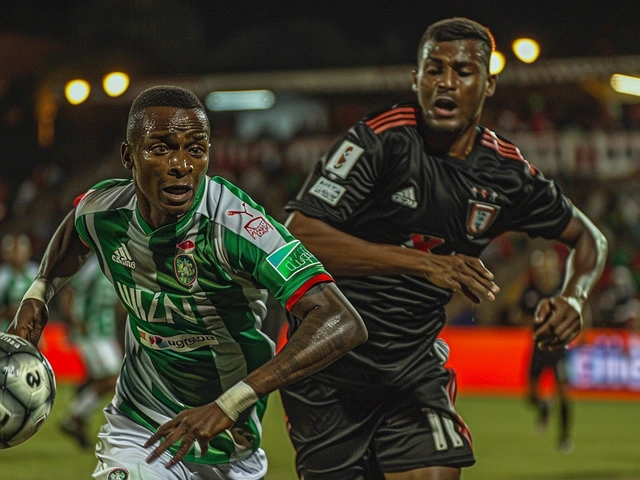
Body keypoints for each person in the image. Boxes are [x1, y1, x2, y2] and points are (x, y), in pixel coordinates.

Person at [280, 17, 608, 480]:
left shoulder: (505, 174)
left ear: (489, 83)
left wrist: (575, 296)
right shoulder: (381, 140)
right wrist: (421, 264)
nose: (446, 83)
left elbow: (589, 238)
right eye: (434, 70)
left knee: (437, 472)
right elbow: (297, 233)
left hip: (411, 369)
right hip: (329, 367)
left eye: (462, 71)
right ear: (416, 79)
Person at [8, 85, 367, 480]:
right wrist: (38, 294)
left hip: (230, 440)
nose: (181, 164)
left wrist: (230, 404)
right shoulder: (103, 210)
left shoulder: (241, 228)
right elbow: (75, 229)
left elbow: (340, 319)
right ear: (128, 156)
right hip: (138, 427)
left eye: (196, 149)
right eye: (161, 148)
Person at [58, 255, 126, 450]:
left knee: (112, 381)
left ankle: (77, 417)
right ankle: (74, 416)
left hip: (106, 332)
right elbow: (69, 292)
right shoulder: (93, 266)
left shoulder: (118, 268)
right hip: (91, 332)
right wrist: (74, 322)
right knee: (113, 380)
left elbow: (117, 304)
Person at [513, 248, 573, 453]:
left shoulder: (563, 289)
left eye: (548, 265)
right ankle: (544, 408)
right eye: (541, 266)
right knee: (530, 394)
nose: (545, 269)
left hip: (558, 347)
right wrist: (535, 321)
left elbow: (578, 311)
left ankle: (564, 439)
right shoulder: (530, 290)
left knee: (564, 393)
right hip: (538, 348)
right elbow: (517, 315)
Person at [0, 234, 39, 332]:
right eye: (11, 251)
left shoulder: (36, 272)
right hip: (7, 330)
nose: (16, 255)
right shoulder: (3, 276)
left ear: (29, 252)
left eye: (20, 251)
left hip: (31, 329)